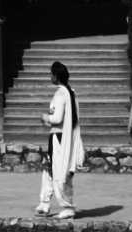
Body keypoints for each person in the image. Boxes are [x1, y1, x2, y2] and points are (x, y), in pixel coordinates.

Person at [38, 61, 84, 219]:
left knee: (59, 172)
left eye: (51, 74)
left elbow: (57, 118)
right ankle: (44, 204)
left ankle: (67, 206)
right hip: (65, 137)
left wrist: (45, 117)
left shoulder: (60, 94)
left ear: (56, 76)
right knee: (50, 170)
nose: (50, 77)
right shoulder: (71, 92)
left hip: (59, 138)